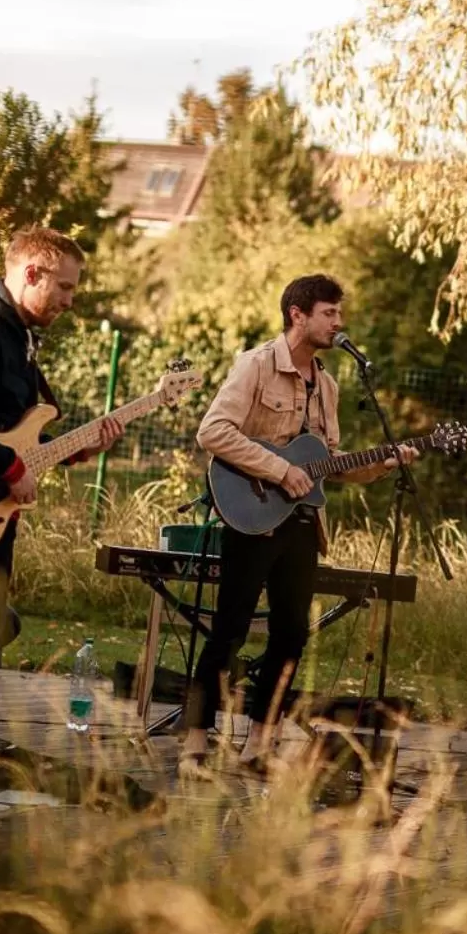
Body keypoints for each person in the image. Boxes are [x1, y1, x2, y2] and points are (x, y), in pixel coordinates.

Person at [181, 273, 418, 769]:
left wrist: (383, 461)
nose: (339, 323)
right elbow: (213, 431)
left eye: (339, 313)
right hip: (252, 516)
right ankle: (195, 742)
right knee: (230, 630)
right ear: (298, 315)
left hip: (304, 524)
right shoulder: (256, 365)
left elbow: (328, 463)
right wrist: (278, 469)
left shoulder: (327, 386)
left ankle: (257, 745)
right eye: (330, 313)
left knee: (292, 635)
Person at [0, 226, 123, 685]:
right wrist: (11, 468)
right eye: (65, 286)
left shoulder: (17, 336)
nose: (70, 300)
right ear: (32, 273)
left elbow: (15, 433)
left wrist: (80, 450)